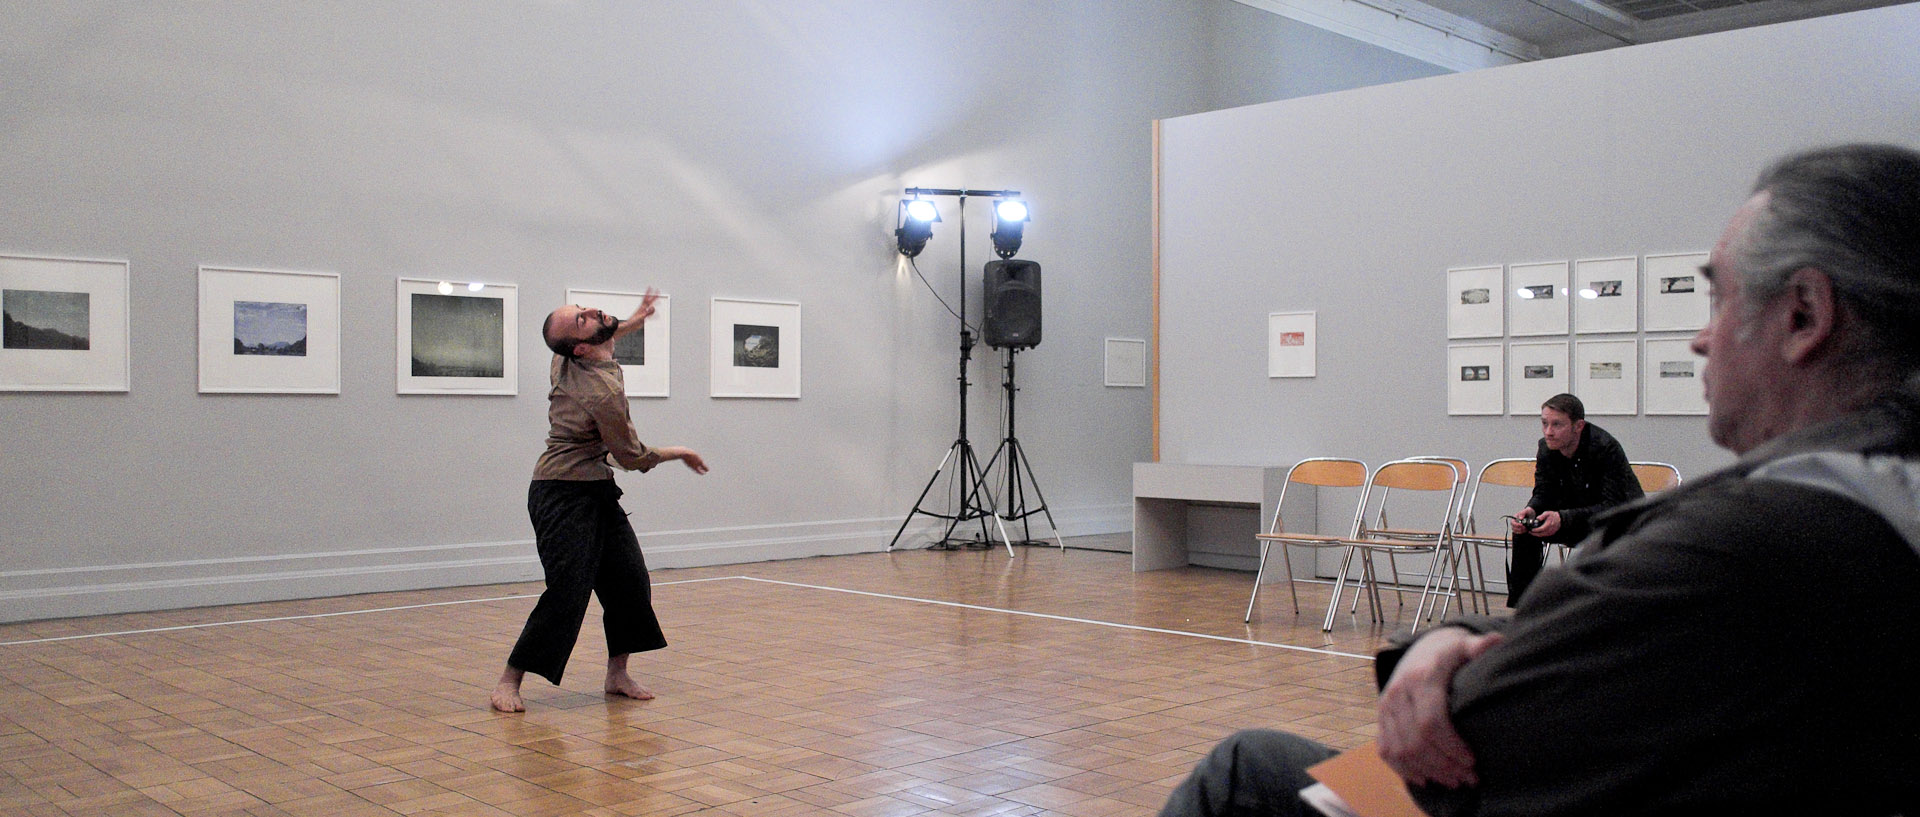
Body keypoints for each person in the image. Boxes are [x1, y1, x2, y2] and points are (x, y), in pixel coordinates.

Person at [1159, 142, 1920, 816]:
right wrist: (1457, 630)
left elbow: (1474, 730)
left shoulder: (1758, 540)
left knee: (1243, 773)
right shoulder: (1883, 498)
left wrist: (1444, 654)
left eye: (1717, 298)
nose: (1698, 336)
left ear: (1804, 314)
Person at [490, 288, 709, 713]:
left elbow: (604, 335)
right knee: (569, 589)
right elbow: (631, 456)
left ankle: (617, 674)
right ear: (582, 348)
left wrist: (633, 320)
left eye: (584, 311)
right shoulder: (601, 392)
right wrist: (680, 452)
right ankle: (509, 679)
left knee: (629, 580)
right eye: (581, 318)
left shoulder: (565, 356)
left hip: (595, 488)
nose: (590, 312)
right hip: (562, 494)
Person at [1503, 393, 1642, 605]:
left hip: (1616, 523)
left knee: (1605, 533)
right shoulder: (1546, 449)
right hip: (1574, 517)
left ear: (1578, 426)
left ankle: (1601, 604)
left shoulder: (1605, 448)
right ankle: (1524, 607)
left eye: (1557, 425)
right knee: (1526, 531)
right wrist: (1530, 510)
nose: (1548, 432)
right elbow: (1543, 492)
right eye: (1544, 424)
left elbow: (1612, 506)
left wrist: (1564, 518)